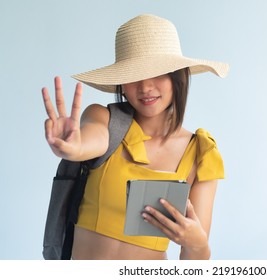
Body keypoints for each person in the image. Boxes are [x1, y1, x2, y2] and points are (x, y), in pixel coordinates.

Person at [41, 14, 229, 260]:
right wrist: (73, 147)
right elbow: (89, 141)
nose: (145, 87)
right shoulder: (105, 120)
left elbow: (194, 262)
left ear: (178, 76)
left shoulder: (201, 153)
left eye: (158, 73)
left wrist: (197, 244)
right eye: (133, 75)